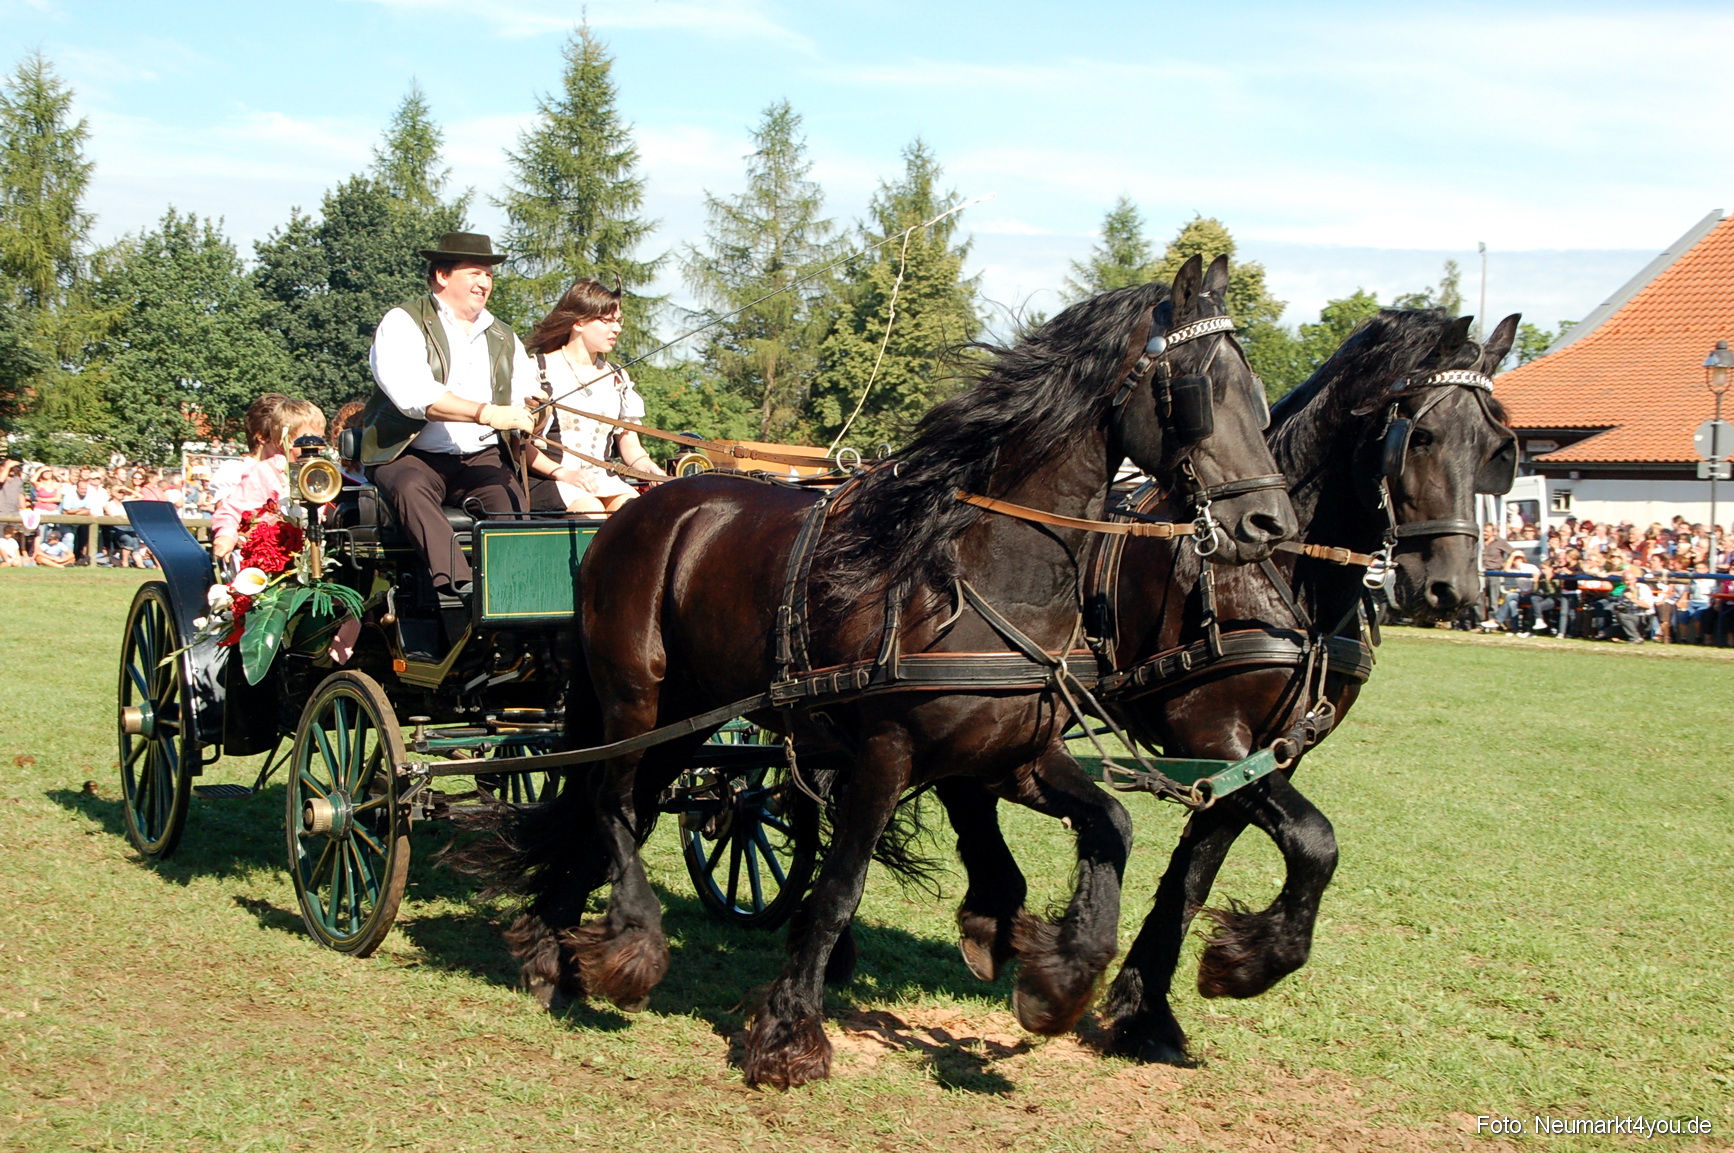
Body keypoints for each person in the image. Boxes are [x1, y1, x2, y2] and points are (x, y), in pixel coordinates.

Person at [362, 231, 587, 599]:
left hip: (479, 458)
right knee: (409, 488)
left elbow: (522, 401)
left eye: (489, 275)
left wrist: (533, 412)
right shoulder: (402, 322)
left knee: (512, 503)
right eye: (475, 273)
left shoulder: (503, 336)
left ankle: (518, 598)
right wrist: (487, 413)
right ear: (442, 275)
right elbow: (415, 397)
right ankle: (460, 590)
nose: (485, 283)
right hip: (409, 453)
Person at [522, 277, 662, 514]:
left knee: (636, 515)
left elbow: (631, 447)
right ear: (578, 323)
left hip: (605, 481)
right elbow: (518, 445)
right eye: (606, 321)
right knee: (593, 511)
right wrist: (564, 473)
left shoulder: (618, 377)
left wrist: (650, 469)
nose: (616, 328)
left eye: (618, 321)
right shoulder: (536, 369)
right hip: (550, 479)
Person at [210, 394, 326, 562]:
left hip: (313, 554)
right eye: (305, 439)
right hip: (273, 556)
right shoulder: (264, 472)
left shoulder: (322, 473)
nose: (315, 446)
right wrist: (226, 536)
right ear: (283, 440)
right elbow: (232, 509)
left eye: (320, 438)